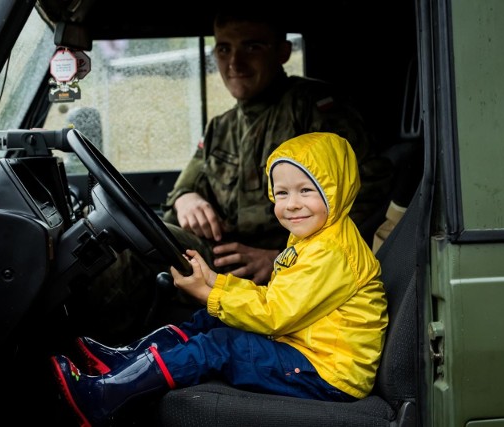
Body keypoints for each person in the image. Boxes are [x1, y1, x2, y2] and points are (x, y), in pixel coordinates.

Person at [67, 7, 391, 344]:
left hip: (289, 273)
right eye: (224, 49)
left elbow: (368, 192)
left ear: (282, 53)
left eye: (252, 47)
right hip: (218, 260)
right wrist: (188, 198)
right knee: (124, 236)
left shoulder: (315, 110)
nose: (234, 63)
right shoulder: (220, 127)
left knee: (130, 248)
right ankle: (97, 348)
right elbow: (180, 192)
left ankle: (85, 349)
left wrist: (285, 258)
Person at [50, 132, 389, 427]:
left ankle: (106, 397)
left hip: (329, 373)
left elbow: (274, 314)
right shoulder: (314, 238)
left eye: (306, 191)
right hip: (311, 348)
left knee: (221, 346)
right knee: (211, 319)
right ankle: (128, 361)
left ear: (336, 191)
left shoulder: (332, 252)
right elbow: (278, 298)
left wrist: (208, 294)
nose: (292, 205)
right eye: (281, 193)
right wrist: (215, 281)